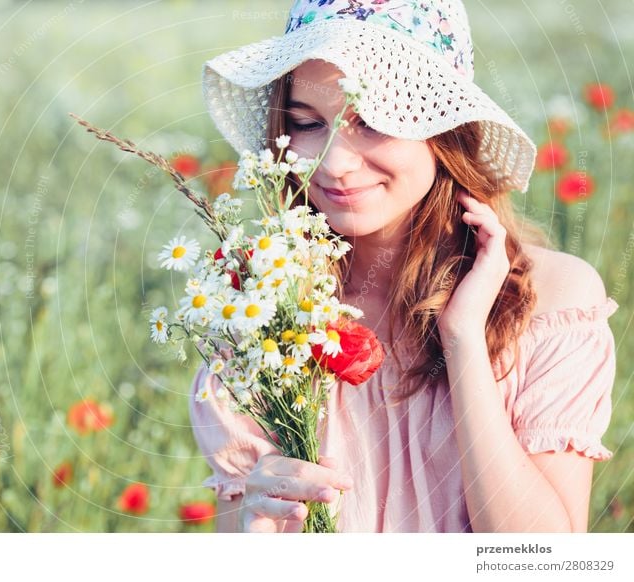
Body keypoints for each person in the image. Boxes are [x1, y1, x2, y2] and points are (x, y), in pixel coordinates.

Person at [190, 0, 619, 533]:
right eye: (306, 123)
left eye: (372, 121)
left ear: (445, 130)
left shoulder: (552, 299)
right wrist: (255, 521)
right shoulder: (266, 317)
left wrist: (462, 341)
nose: (335, 163)